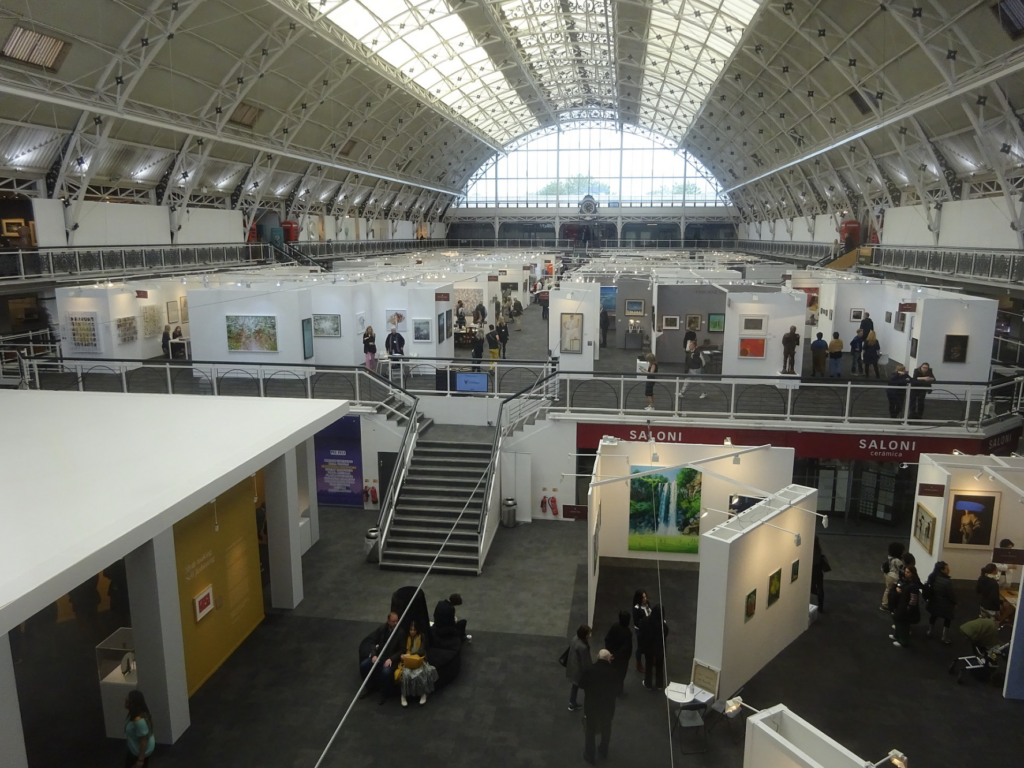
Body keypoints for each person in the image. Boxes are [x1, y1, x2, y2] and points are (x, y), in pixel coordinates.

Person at [579, 649, 619, 764]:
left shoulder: (590, 670)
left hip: (592, 707)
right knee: (606, 728)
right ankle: (603, 749)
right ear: (609, 658)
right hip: (607, 707)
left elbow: (582, 684)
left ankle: (589, 755)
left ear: (598, 657)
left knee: (590, 731)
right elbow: (617, 689)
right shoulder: (614, 672)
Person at [395, 620, 438, 707]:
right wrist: (403, 656)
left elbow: (421, 651)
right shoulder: (405, 636)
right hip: (407, 661)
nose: (412, 632)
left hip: (418, 660)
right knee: (406, 674)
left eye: (414, 630)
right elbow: (402, 649)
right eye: (411, 630)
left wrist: (410, 654)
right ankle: (403, 695)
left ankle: (423, 694)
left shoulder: (421, 636)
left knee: (420, 674)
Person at [358, 611, 400, 698]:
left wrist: (391, 659)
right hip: (379, 656)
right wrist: (374, 655)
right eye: (393, 621)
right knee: (364, 665)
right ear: (388, 621)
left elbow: (402, 650)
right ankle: (369, 687)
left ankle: (384, 693)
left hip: (390, 658)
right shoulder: (382, 629)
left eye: (397, 621)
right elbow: (373, 642)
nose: (396, 623)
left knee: (386, 672)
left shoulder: (400, 632)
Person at [925, 561, 956, 644]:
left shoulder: (933, 577)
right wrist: (955, 602)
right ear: (942, 570)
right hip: (945, 605)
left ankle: (930, 631)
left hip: (934, 602)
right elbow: (951, 595)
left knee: (933, 616)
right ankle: (944, 636)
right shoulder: (947, 582)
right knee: (947, 618)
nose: (949, 570)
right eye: (947, 569)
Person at [890, 564, 921, 647]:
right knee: (898, 621)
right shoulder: (906, 581)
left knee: (904, 625)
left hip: (906, 608)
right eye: (905, 571)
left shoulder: (914, 585)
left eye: (908, 572)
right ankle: (897, 636)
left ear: (913, 573)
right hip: (901, 604)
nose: (906, 573)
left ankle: (903, 641)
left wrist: (909, 608)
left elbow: (913, 599)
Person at [603, 611, 632, 696]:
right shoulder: (627, 633)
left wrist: (610, 652)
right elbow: (625, 648)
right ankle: (618, 691)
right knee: (620, 675)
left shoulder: (615, 626)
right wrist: (615, 655)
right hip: (621, 659)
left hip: (612, 655)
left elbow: (607, 639)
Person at [639, 604, 668, 690]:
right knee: (659, 665)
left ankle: (648, 683)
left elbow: (641, 631)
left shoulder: (645, 621)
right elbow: (665, 634)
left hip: (648, 647)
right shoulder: (662, 626)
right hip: (659, 648)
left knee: (648, 664)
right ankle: (659, 684)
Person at [124, 690, 155, 767]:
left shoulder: (139, 721)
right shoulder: (135, 714)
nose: (124, 702)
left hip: (139, 752)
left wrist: (140, 760)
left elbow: (143, 742)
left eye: (127, 701)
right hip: (136, 748)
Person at [566, 624, 592, 711]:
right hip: (579, 671)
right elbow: (585, 662)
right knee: (588, 688)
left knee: (575, 686)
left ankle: (572, 703)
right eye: (588, 633)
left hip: (573, 667)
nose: (590, 635)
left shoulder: (575, 638)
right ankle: (588, 707)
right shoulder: (583, 647)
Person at [881, 542, 906, 611]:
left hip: (888, 575)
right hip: (894, 577)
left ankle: (884, 604)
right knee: (892, 590)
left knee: (888, 589)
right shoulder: (897, 561)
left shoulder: (890, 557)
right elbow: (902, 569)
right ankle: (889, 604)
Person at [631, 589, 651, 674]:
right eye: (643, 597)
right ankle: (639, 664)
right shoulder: (636, 609)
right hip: (641, 631)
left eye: (645, 596)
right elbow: (636, 622)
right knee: (640, 648)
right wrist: (645, 626)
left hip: (648, 628)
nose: (645, 599)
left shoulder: (647, 604)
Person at [811, 536, 827, 614]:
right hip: (819, 573)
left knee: (812, 587)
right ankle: (820, 606)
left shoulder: (812, 551)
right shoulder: (818, 549)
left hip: (813, 572)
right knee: (820, 588)